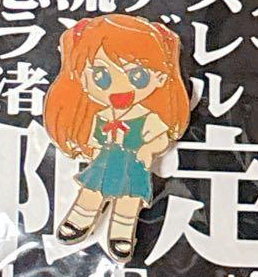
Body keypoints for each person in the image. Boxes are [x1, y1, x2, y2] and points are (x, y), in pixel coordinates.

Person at [43, 14, 190, 262]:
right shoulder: (101, 115)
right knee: (91, 192)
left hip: (134, 165)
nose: (120, 87)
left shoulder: (146, 117)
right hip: (105, 163)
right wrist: (94, 151)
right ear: (83, 78)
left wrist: (147, 149)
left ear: (160, 77)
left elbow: (160, 140)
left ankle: (122, 234)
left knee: (128, 202)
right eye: (101, 76)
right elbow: (94, 140)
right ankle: (79, 219)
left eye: (137, 76)